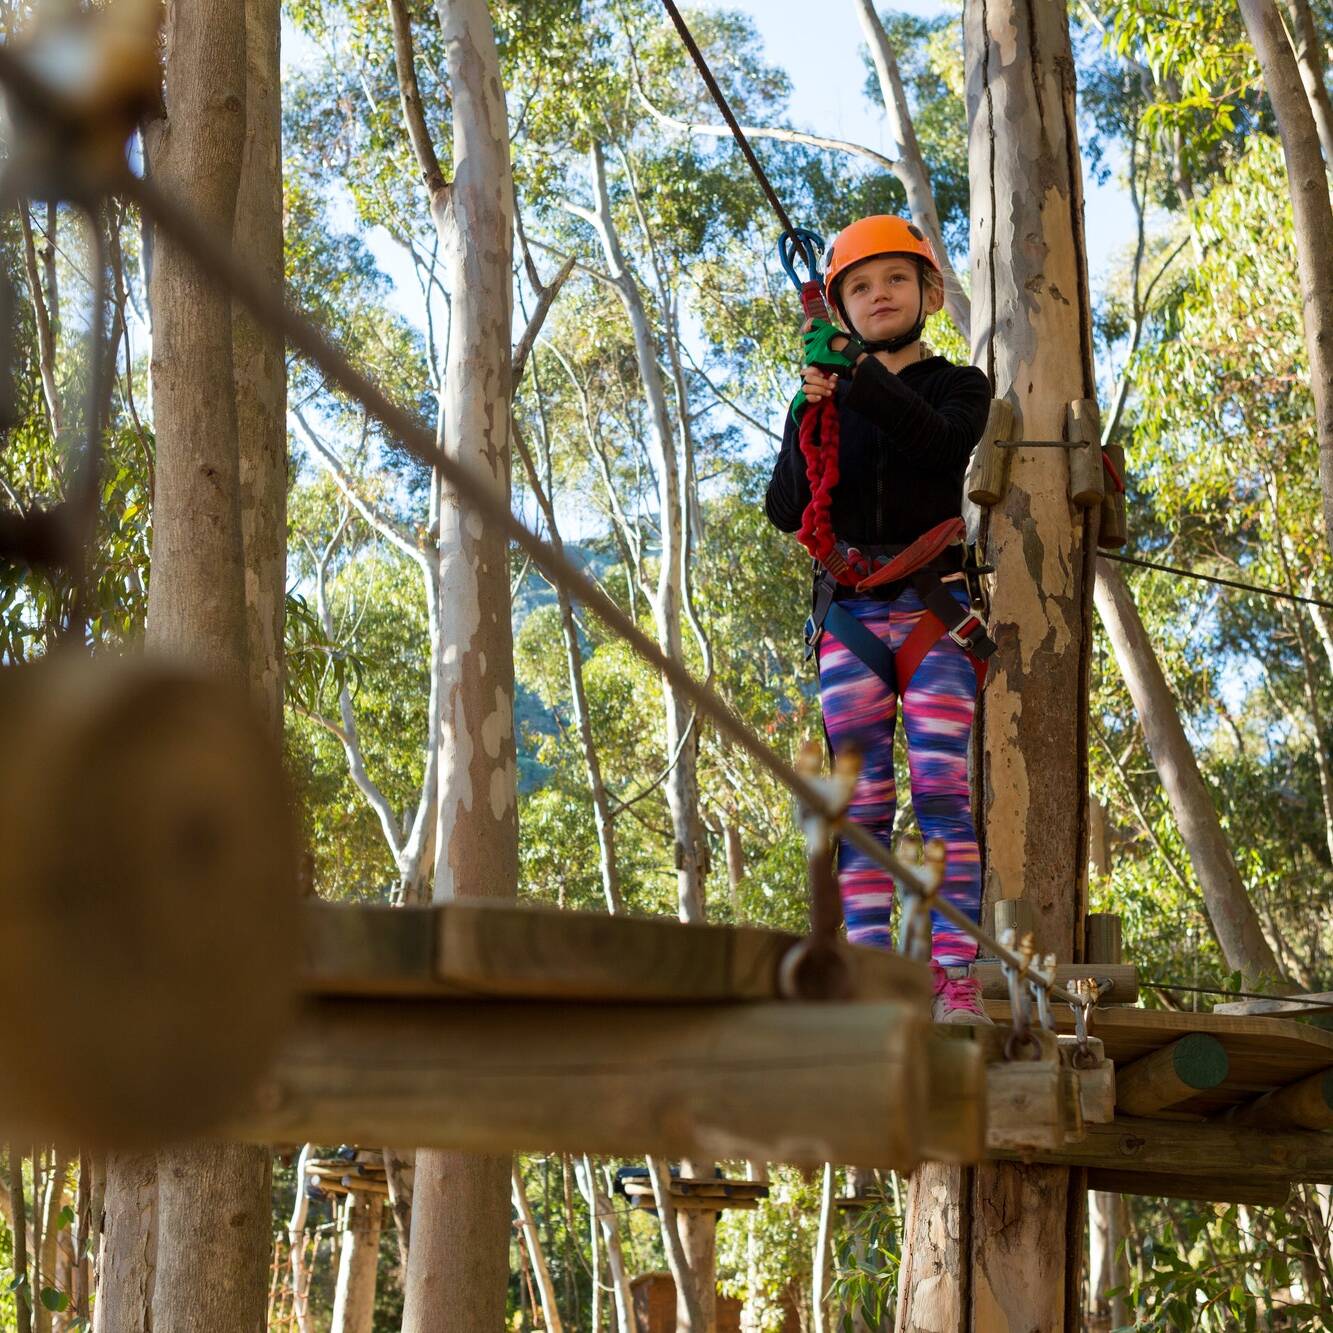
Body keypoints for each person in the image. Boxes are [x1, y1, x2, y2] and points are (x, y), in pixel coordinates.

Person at [764, 215, 994, 1023]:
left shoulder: (960, 384)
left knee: (940, 792)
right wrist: (807, 411)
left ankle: (951, 980)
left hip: (936, 611)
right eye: (858, 287)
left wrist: (856, 378)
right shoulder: (830, 396)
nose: (877, 295)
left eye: (894, 279)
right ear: (839, 307)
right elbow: (785, 507)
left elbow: (940, 445)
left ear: (928, 291)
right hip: (852, 621)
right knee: (860, 810)